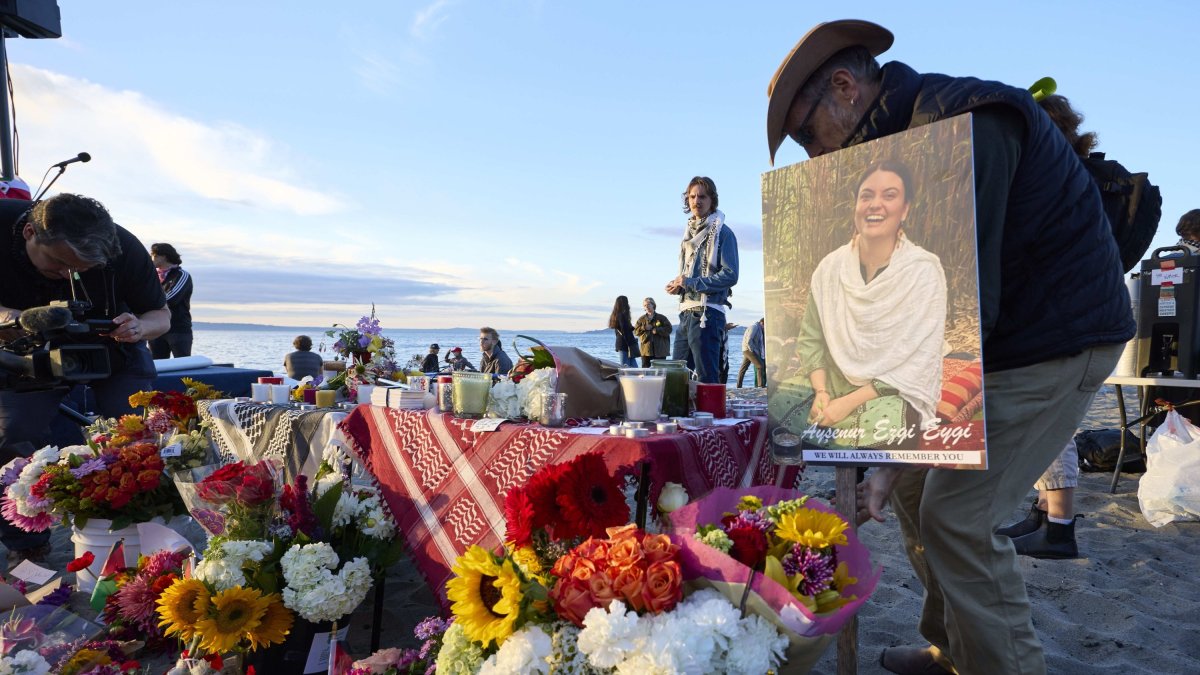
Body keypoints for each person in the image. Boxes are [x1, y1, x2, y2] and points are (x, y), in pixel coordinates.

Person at [766, 20, 1132, 674]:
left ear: (844, 88)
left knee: (960, 516)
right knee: (914, 495)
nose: (811, 159)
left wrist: (887, 458)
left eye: (805, 136)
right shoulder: (899, 151)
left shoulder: (964, 125)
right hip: (1004, 335)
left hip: (1055, 338)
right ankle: (954, 647)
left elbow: (962, 317)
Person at [0, 193, 169, 565]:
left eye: (83, 269)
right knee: (12, 437)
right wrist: (15, 319)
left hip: (114, 348)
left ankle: (136, 528)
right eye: (59, 264)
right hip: (28, 351)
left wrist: (141, 327)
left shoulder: (123, 247)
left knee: (137, 433)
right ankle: (27, 542)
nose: (68, 275)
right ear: (30, 232)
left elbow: (161, 315)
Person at [995, 94, 1102, 560]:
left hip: (1061, 329)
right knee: (1047, 430)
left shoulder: (1056, 182)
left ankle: (1059, 529)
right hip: (1071, 323)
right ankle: (1045, 515)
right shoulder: (1073, 178)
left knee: (1047, 431)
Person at [797, 160, 946, 449]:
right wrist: (822, 392)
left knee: (886, 425)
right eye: (866, 196)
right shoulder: (830, 269)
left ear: (905, 209)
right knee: (782, 407)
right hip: (834, 382)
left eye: (889, 196)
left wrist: (847, 403)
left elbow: (917, 361)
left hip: (890, 390)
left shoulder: (922, 271)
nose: (875, 205)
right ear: (856, 205)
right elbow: (811, 339)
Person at [665, 176, 739, 383]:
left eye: (702, 196)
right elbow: (690, 274)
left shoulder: (723, 233)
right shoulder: (687, 236)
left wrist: (691, 283)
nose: (696, 201)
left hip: (708, 314)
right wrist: (678, 286)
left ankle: (710, 415)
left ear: (712, 200)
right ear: (687, 200)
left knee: (707, 379)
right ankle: (680, 416)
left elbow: (731, 274)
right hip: (685, 314)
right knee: (676, 377)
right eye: (692, 196)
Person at [148, 242, 193, 359]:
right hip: (155, 329)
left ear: (163, 256)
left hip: (177, 330)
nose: (151, 258)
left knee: (183, 366)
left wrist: (148, 303)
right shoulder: (152, 277)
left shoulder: (182, 275)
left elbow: (172, 298)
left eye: (153, 255)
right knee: (157, 367)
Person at [633, 297, 673, 367]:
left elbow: (669, 329)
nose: (647, 306)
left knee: (660, 371)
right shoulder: (641, 319)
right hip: (646, 351)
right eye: (645, 305)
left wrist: (657, 330)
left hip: (660, 351)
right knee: (646, 371)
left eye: (648, 304)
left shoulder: (661, 318)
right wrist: (644, 327)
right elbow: (635, 332)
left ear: (653, 305)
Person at [608, 296, 639, 367]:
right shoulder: (622, 315)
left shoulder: (617, 316)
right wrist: (631, 344)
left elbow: (622, 330)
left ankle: (634, 377)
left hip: (622, 344)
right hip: (626, 344)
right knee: (627, 367)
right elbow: (625, 331)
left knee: (630, 367)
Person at [737, 317, 767, 388]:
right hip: (749, 350)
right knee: (760, 366)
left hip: (747, 350)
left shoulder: (758, 328)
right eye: (765, 326)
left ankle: (738, 386)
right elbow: (749, 340)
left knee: (743, 369)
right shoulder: (755, 327)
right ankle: (760, 386)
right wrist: (753, 351)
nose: (765, 328)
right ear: (762, 323)